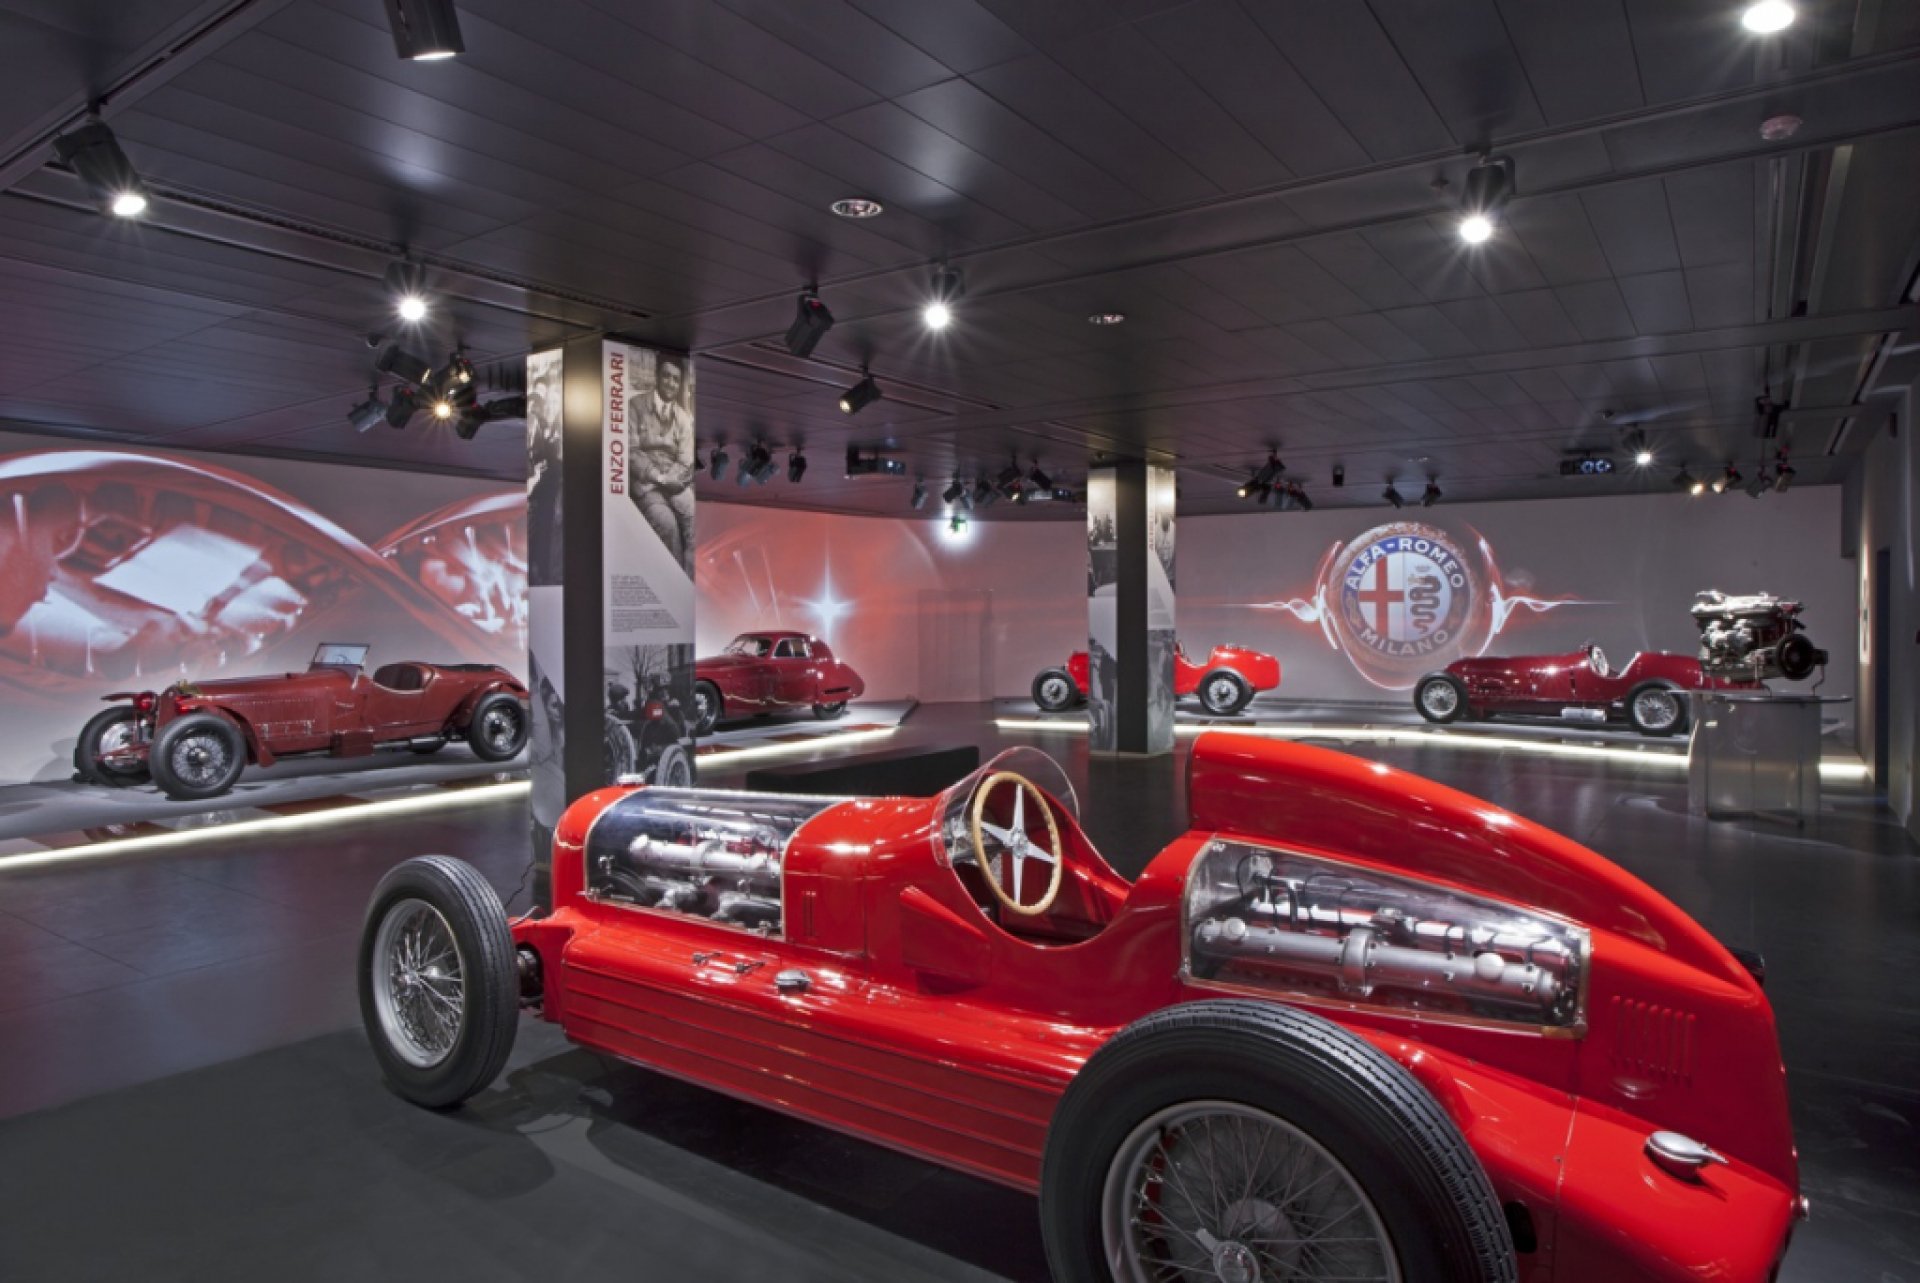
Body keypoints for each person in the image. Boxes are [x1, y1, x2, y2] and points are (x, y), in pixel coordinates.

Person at [629, 355, 695, 570]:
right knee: (667, 525)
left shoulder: (683, 419)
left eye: (676, 379)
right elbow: (631, 451)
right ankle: (672, 582)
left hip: (674, 484)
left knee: (694, 521)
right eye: (666, 376)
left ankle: (689, 580)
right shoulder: (635, 406)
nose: (671, 383)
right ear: (657, 376)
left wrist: (670, 479)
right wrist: (658, 477)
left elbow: (685, 460)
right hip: (646, 485)